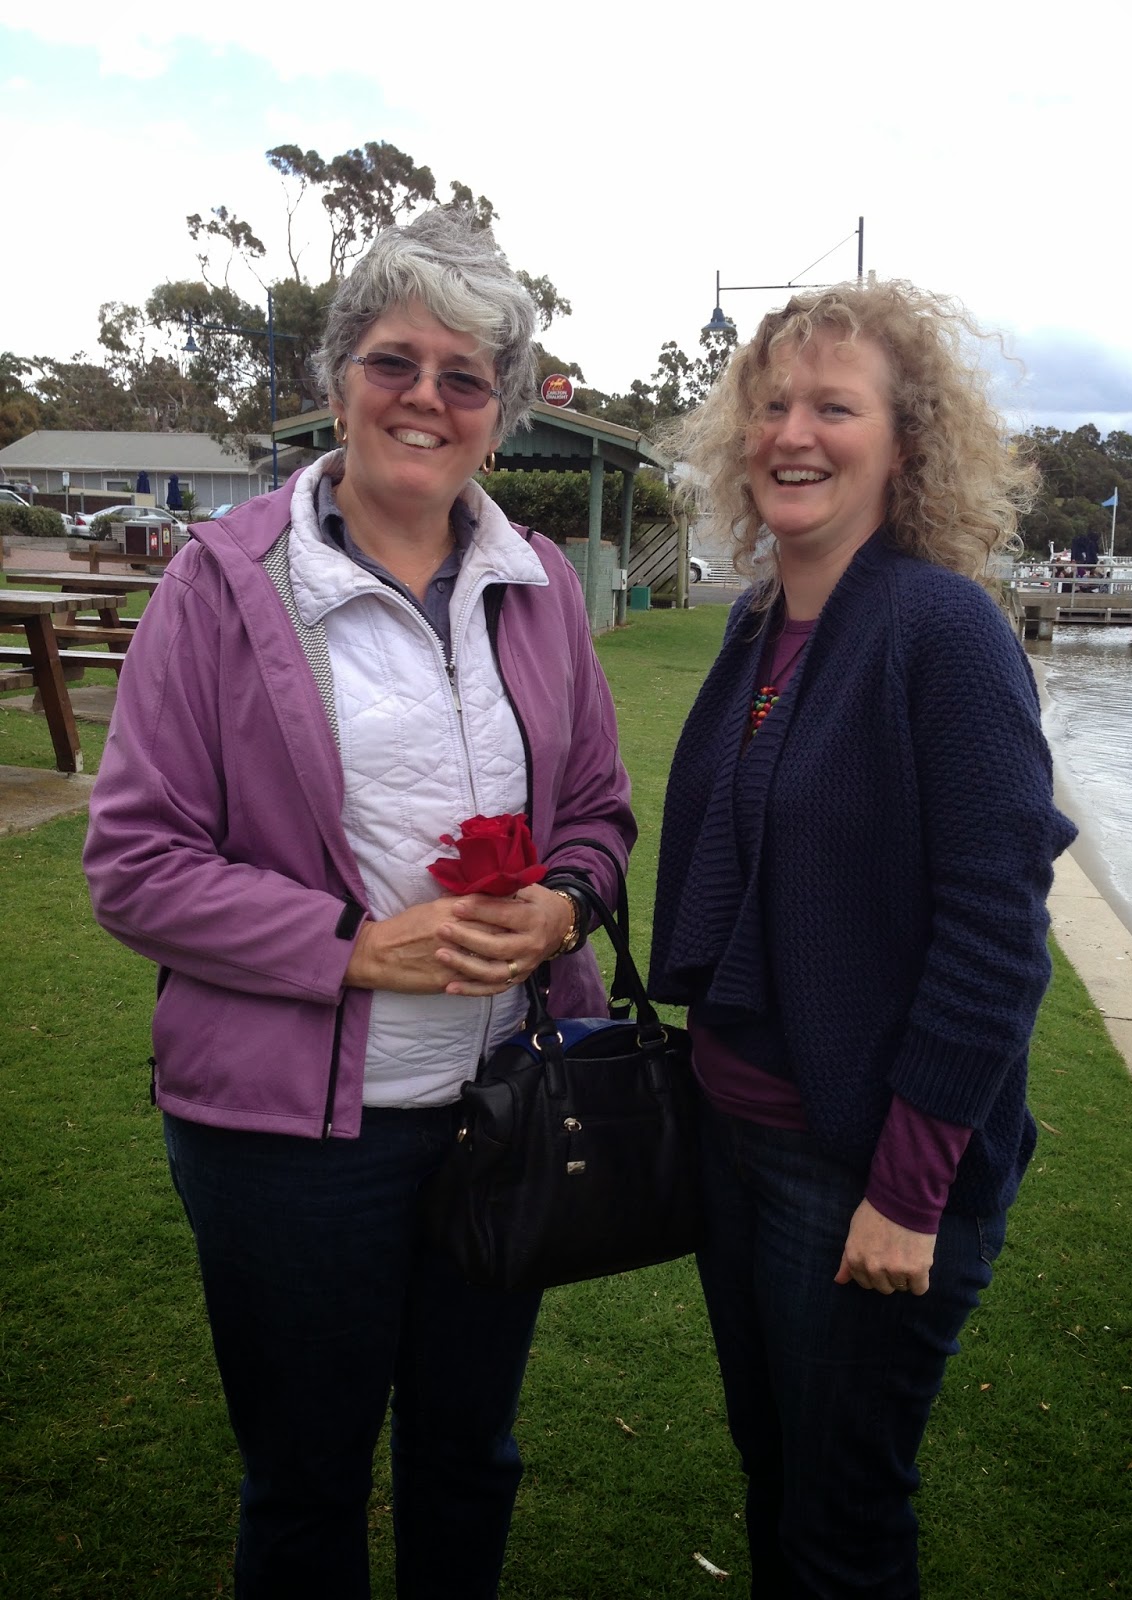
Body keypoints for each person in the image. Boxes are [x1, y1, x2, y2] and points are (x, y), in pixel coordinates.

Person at [83, 207, 635, 1599]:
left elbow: (599, 813)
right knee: (305, 1483)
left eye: (466, 377)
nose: (426, 399)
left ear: (500, 413)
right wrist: (352, 947)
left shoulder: (539, 586)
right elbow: (136, 862)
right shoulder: (221, 585)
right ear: (339, 382)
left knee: (470, 1459)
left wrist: (564, 909)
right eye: (395, 361)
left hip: (501, 1112)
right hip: (289, 1144)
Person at [649, 281, 1076, 1598]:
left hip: (859, 1171)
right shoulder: (760, 625)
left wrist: (908, 1189)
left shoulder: (942, 631)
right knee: (777, 1476)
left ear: (905, 444)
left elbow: (996, 934)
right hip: (737, 1145)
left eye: (834, 407)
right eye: (773, 404)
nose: (794, 433)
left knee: (841, 1525)